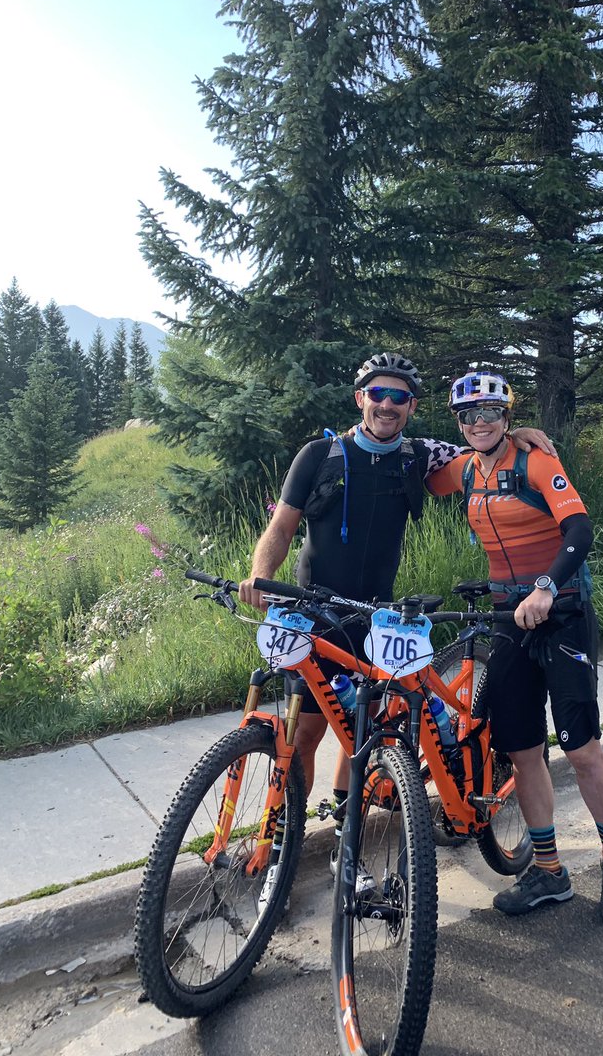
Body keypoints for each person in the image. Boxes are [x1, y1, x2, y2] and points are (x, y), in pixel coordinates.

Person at [237, 353, 555, 881]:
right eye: (378, 394)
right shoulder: (320, 454)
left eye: (399, 397)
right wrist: (259, 576)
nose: (387, 405)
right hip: (316, 616)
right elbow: (282, 528)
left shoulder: (418, 455)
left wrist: (515, 433)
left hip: (375, 619)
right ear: (359, 398)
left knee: (361, 733)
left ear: (412, 406)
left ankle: (347, 842)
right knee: (306, 735)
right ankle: (283, 848)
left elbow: (481, 450)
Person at [425, 370, 603, 926]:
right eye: (468, 416)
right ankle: (548, 870)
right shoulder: (464, 470)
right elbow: (413, 467)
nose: (480, 423)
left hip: (562, 614)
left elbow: (580, 530)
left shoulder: (535, 461)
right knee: (521, 749)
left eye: (491, 413)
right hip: (507, 618)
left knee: (581, 748)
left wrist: (546, 588)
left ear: (507, 416)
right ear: (459, 423)